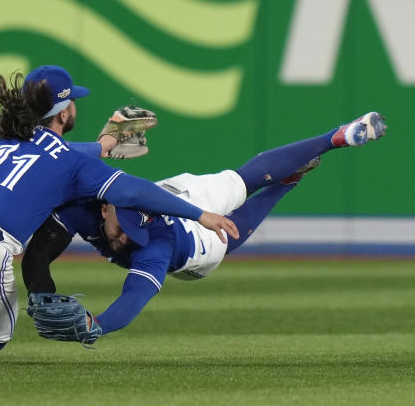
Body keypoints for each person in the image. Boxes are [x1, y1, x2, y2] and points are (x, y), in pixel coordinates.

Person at [0, 65, 237, 359]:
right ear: (64, 113)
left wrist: (103, 144)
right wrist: (200, 214)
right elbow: (133, 189)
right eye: (73, 103)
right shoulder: (71, 162)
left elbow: (56, 155)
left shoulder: (7, 132)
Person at [22, 112, 387, 340]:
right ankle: (292, 173)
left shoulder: (154, 246)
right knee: (241, 182)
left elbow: (133, 297)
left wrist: (96, 325)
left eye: (133, 230)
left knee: (229, 227)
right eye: (123, 228)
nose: (125, 237)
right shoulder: (86, 207)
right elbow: (40, 247)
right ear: (104, 209)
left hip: (193, 238)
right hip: (175, 193)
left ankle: (331, 141)